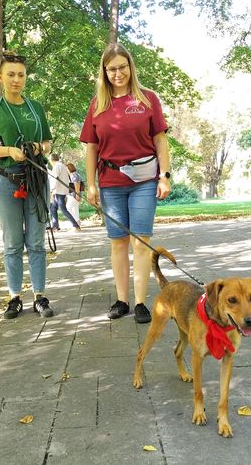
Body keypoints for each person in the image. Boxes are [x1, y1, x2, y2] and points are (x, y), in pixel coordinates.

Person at [79, 43, 171, 324]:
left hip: (144, 180)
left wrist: (165, 175)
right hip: (110, 182)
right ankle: (122, 300)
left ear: (131, 67)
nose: (118, 73)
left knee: (141, 242)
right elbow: (91, 147)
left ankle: (141, 303)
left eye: (122, 67)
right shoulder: (98, 104)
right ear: (104, 72)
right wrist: (91, 184)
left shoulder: (147, 99)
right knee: (118, 242)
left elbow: (160, 140)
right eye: (112, 69)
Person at [0, 51, 54, 319]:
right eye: (11, 74)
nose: (16, 79)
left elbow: (47, 144)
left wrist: (36, 147)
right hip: (6, 180)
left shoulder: (36, 108)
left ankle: (40, 296)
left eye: (20, 74)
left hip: (35, 178)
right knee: (12, 242)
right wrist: (9, 150)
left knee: (36, 241)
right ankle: (14, 297)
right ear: (0, 77)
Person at [49, 154, 81, 232]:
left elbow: (55, 179)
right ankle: (55, 226)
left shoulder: (56, 166)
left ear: (51, 160)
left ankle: (75, 225)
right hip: (61, 191)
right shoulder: (62, 165)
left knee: (63, 209)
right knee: (53, 208)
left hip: (59, 191)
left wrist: (51, 189)